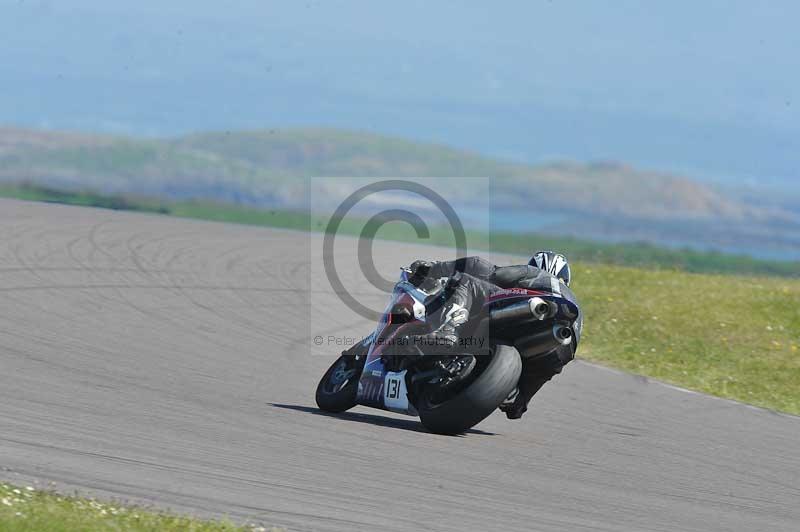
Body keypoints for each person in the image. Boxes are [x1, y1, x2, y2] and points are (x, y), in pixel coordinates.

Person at [343, 252, 582, 420]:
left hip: (530, 307)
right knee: (526, 387)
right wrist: (521, 402)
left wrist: (436, 269)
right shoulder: (573, 306)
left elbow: (481, 267)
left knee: (466, 281)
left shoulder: (535, 275)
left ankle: (447, 331)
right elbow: (546, 371)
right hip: (561, 345)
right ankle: (508, 391)